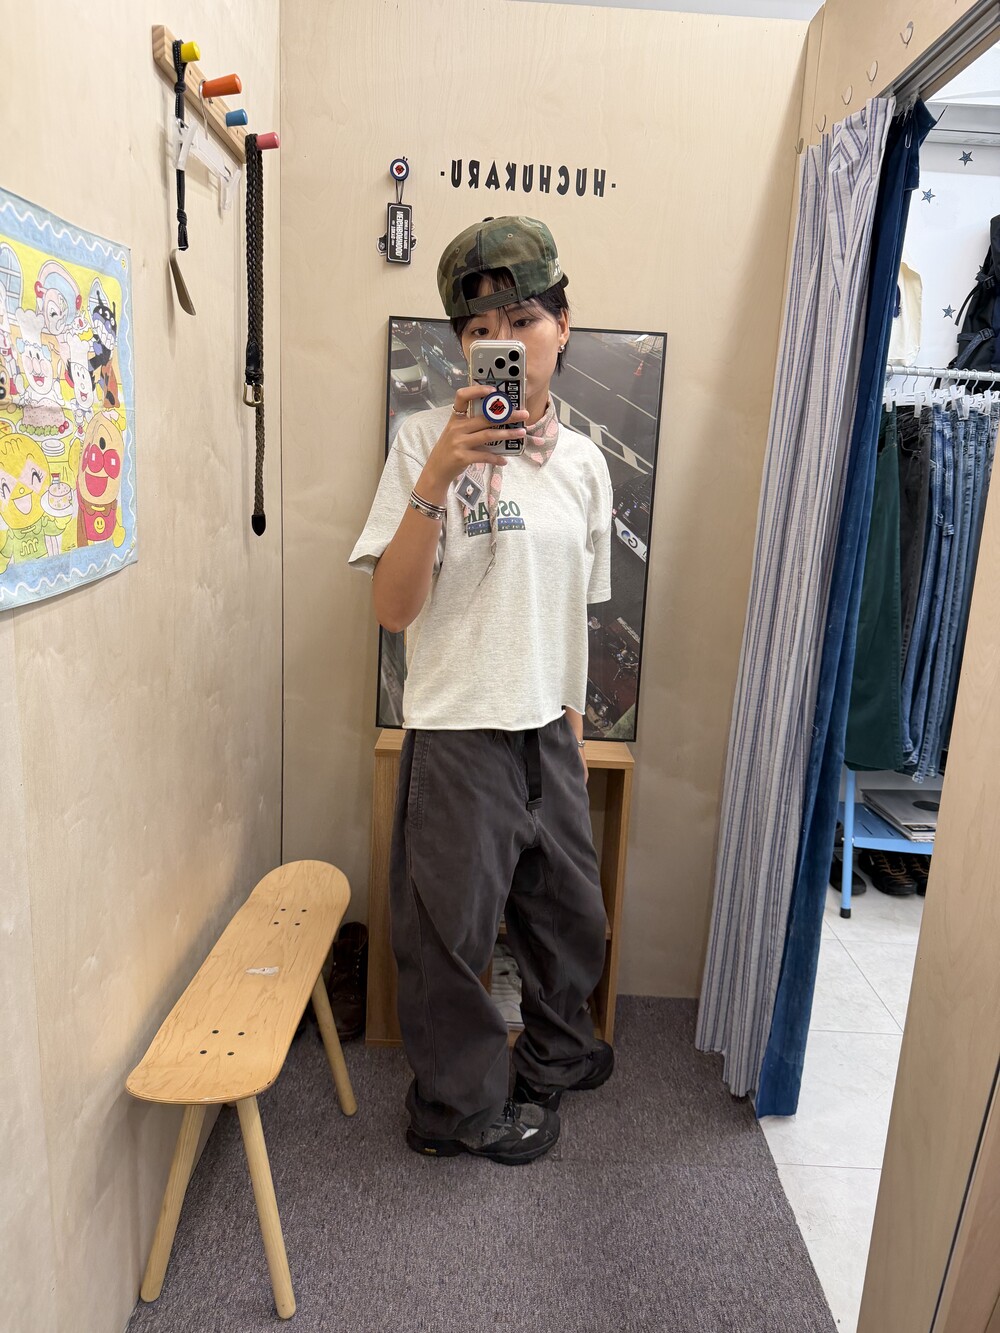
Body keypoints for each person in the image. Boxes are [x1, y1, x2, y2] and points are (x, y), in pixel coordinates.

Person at [349, 216, 615, 1165]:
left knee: (571, 917)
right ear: (462, 347)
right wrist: (437, 476)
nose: (504, 339)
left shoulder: (585, 464)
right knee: (450, 943)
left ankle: (554, 1055)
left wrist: (572, 730)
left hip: (548, 730)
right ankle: (455, 1109)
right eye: (479, 328)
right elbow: (392, 609)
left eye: (524, 318)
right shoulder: (424, 439)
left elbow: (577, 614)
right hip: (459, 730)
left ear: (563, 326)